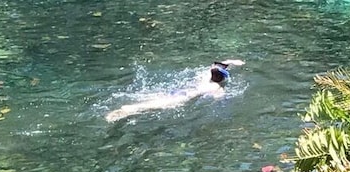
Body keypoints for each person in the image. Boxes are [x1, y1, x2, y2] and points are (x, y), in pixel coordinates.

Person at [103, 60, 246, 122]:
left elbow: (216, 65)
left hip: (180, 91)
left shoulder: (205, 77)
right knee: (154, 106)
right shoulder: (216, 88)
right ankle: (128, 110)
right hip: (184, 98)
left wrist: (232, 62)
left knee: (158, 100)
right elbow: (220, 101)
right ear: (222, 79)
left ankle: (131, 108)